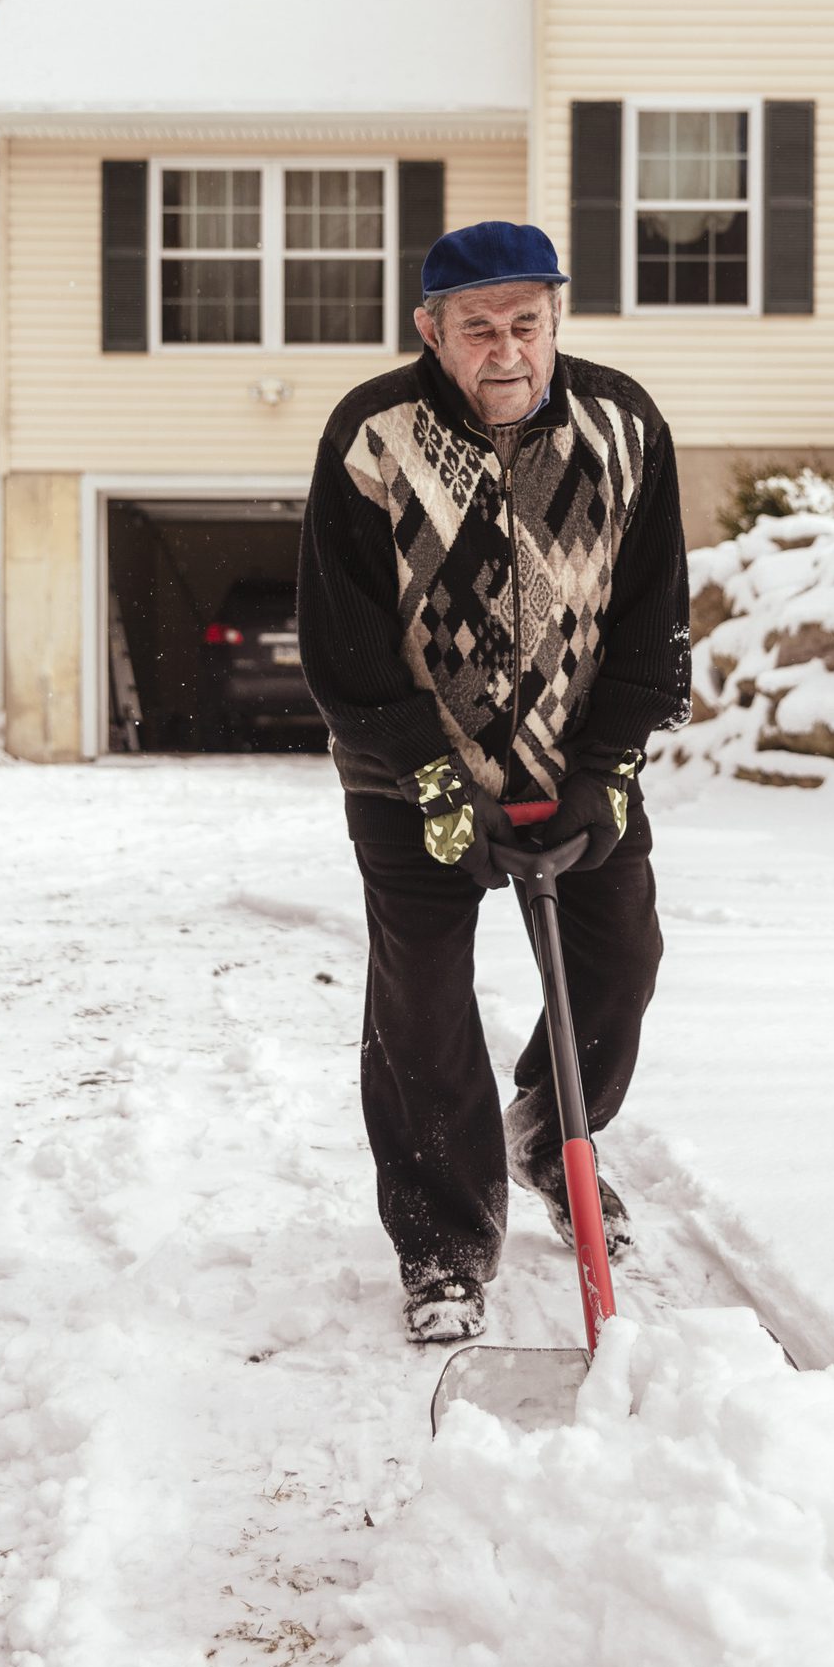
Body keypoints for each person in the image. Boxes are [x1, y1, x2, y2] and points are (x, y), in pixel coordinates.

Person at [296, 220, 690, 1342]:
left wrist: (605, 767)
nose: (506, 350)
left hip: (576, 767)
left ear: (555, 318)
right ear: (430, 329)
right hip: (407, 779)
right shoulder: (371, 436)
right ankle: (444, 1249)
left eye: (526, 323)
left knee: (620, 966)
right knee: (421, 1011)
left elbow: (654, 618)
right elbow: (345, 646)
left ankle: (547, 1133)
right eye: (477, 329)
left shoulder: (623, 424)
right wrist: (428, 778)